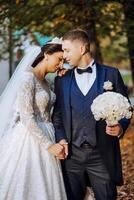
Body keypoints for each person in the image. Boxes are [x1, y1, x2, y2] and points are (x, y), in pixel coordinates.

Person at [52, 29, 131, 200]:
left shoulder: (111, 74)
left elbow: (126, 108)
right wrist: (61, 138)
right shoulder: (61, 79)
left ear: (81, 49)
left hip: (102, 154)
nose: (63, 55)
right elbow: (57, 115)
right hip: (71, 155)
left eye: (67, 50)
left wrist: (120, 128)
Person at [0, 39, 67, 200]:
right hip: (30, 138)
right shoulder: (27, 79)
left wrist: (64, 78)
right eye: (59, 59)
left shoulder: (48, 82)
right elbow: (27, 118)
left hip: (50, 132)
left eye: (63, 61)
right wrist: (49, 146)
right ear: (46, 55)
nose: (60, 65)